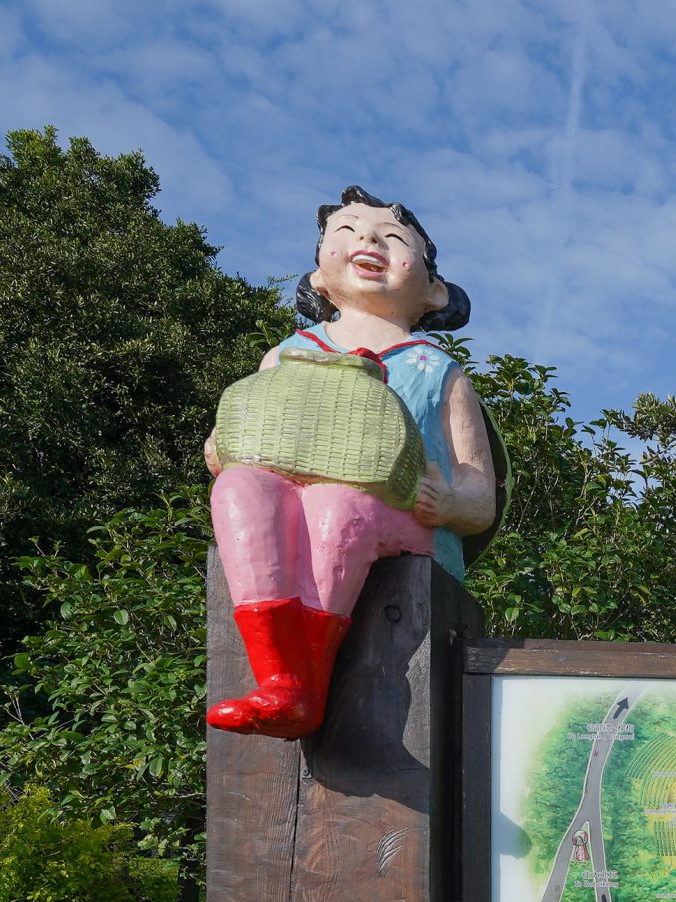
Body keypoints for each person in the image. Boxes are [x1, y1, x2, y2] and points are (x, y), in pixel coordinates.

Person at [203, 187, 497, 738]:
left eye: (391, 236)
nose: (367, 239)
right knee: (240, 491)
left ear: (434, 290)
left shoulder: (437, 370)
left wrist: (451, 501)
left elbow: (482, 496)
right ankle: (279, 679)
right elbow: (246, 429)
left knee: (341, 507)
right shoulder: (286, 354)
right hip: (288, 493)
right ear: (317, 275)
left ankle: (301, 688)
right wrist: (224, 450)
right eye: (347, 231)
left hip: (405, 520)